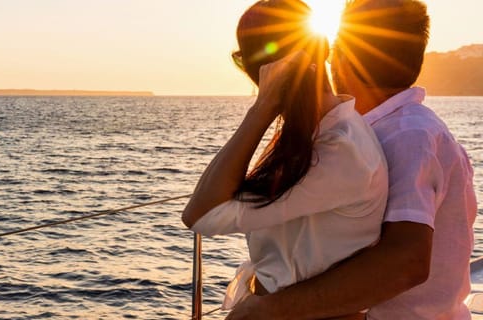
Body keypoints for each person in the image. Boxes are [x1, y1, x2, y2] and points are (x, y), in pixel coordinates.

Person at [225, 0, 478, 319]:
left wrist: (270, 309)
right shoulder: (375, 131)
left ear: (345, 56)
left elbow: (406, 263)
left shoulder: (408, 136)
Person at [181, 1, 387, 319]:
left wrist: (261, 108)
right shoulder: (319, 134)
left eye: (243, 62)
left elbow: (200, 214)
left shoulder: (339, 151)